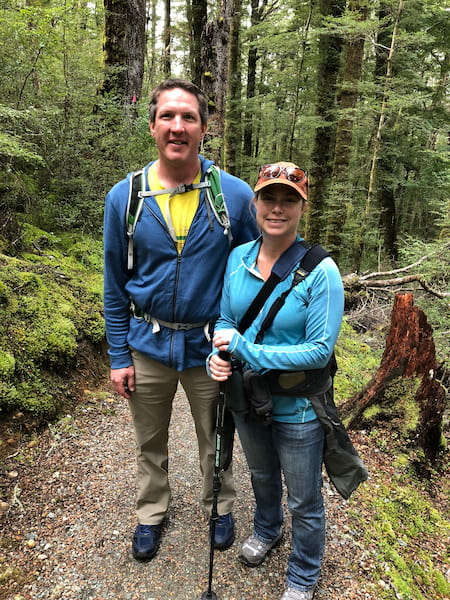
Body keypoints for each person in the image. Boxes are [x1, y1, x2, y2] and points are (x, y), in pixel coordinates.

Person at [103, 78, 258, 562]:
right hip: (146, 344)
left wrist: (243, 339)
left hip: (209, 347)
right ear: (152, 126)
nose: (177, 126)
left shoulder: (232, 195)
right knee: (148, 439)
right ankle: (151, 511)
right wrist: (117, 353)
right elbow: (113, 281)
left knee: (215, 436)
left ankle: (220, 504)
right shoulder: (124, 198)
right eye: (167, 116)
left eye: (188, 117)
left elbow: (253, 271)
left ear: (204, 128)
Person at [208, 162, 344, 600]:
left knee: (304, 500)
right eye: (269, 198)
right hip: (248, 398)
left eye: (289, 200)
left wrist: (245, 351)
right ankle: (267, 529)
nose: (278, 208)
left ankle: (303, 574)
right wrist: (217, 353)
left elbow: (319, 351)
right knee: (263, 476)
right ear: (256, 203)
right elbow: (226, 319)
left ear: (303, 206)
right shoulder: (238, 257)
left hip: (299, 406)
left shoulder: (321, 271)